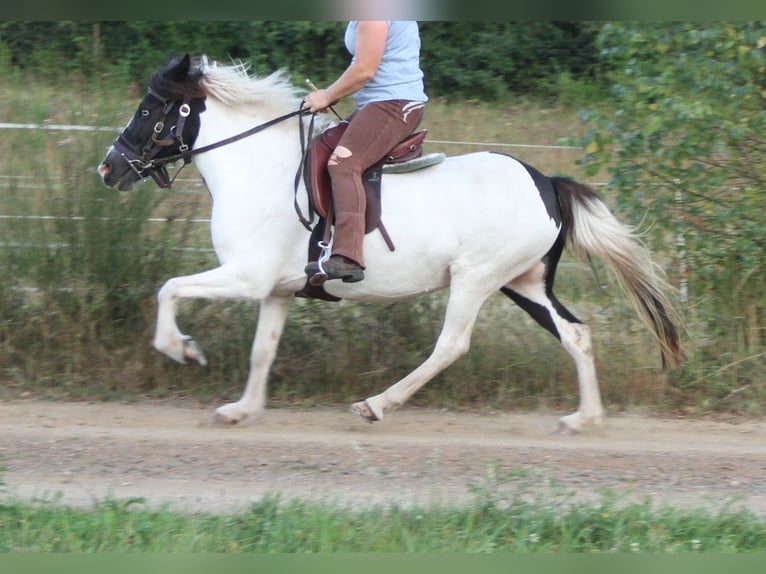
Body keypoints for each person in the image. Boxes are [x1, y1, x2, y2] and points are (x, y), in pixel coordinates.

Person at [303, 20, 428, 283]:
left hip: (394, 103)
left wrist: (327, 96)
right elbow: (361, 61)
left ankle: (348, 257)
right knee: (323, 145)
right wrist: (332, 93)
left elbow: (364, 69)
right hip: (376, 104)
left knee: (343, 164)